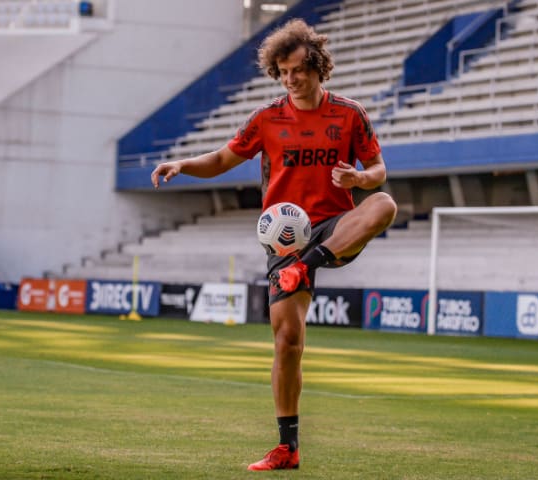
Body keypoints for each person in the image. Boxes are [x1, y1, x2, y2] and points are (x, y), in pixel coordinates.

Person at [150, 18, 397, 471]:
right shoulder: (266, 118)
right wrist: (183, 163)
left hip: (334, 226)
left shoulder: (350, 114)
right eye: (282, 72)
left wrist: (359, 178)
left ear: (318, 66)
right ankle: (288, 447)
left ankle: (308, 266)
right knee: (287, 340)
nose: (290, 79)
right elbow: (224, 158)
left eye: (298, 69)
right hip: (284, 240)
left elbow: (378, 169)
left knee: (383, 203)